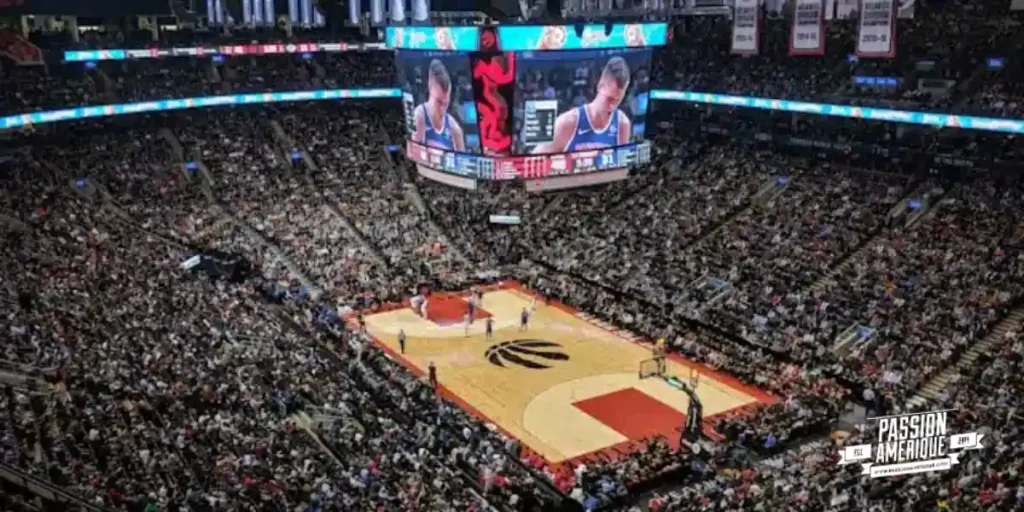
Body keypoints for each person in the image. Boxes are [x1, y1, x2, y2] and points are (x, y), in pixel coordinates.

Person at [531, 56, 633, 154]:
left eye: (618, 100)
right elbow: (534, 160)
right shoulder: (567, 123)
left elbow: (623, 167)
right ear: (600, 86)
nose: (612, 106)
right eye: (609, 99)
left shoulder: (622, 124)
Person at [412, 59, 466, 151]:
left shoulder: (455, 129)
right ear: (430, 90)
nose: (442, 109)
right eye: (438, 102)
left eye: (445, 104)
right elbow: (413, 152)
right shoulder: (419, 115)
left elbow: (463, 161)